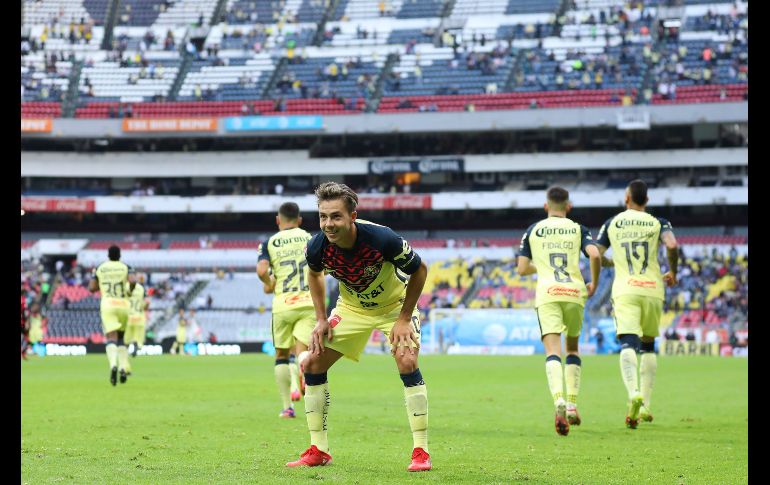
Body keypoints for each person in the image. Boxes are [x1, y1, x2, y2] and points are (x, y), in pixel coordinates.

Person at [286, 182, 432, 472]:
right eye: (323, 217)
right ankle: (319, 449)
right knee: (313, 363)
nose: (328, 224)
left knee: (406, 360)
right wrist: (320, 318)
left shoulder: (382, 239)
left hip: (394, 308)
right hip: (352, 310)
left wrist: (403, 319)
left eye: (336, 216)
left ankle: (421, 451)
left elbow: (420, 270)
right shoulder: (317, 246)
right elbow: (314, 275)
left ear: (353, 216)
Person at [516, 186, 601, 436]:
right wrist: (594, 282)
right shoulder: (577, 228)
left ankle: (559, 401)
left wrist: (541, 267)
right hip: (574, 292)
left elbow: (521, 269)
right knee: (573, 348)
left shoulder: (534, 230)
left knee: (553, 351)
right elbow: (594, 254)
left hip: (548, 294)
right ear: (568, 207)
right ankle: (573, 405)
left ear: (546, 207)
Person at [596, 179, 678, 428]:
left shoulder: (613, 223)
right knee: (649, 345)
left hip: (626, 290)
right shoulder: (658, 222)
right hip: (653, 290)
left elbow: (596, 254)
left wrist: (612, 262)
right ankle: (646, 405)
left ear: (626, 199)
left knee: (628, 343)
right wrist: (672, 270)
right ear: (647, 201)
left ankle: (633, 392)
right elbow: (672, 245)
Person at [256, 202, 315, 419]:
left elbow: (261, 270)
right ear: (299, 220)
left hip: (282, 305)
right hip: (308, 303)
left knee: (281, 355)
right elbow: (324, 269)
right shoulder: (311, 238)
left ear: (278, 220)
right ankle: (302, 373)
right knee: (302, 352)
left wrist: (270, 284)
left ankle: (287, 407)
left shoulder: (270, 243)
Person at [89, 245, 134, 385]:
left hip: (108, 304)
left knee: (111, 337)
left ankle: (113, 365)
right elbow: (133, 282)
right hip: (123, 304)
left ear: (108, 255)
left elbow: (91, 288)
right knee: (121, 338)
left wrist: (101, 284)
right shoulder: (126, 267)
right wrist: (129, 291)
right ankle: (122, 367)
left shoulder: (100, 267)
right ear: (120, 255)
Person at [125, 272, 149, 363]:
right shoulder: (141, 288)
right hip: (139, 317)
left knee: (125, 342)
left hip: (128, 317)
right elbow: (146, 304)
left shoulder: (125, 287)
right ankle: (136, 345)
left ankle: (124, 362)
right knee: (138, 339)